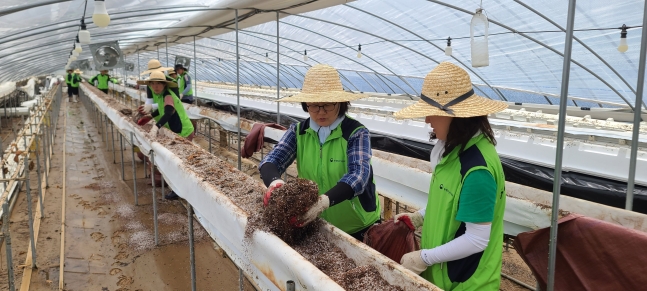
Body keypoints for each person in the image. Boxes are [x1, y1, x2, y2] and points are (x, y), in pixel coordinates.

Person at [393, 62, 508, 290]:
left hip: (467, 282)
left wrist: (423, 258)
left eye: (432, 113)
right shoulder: (453, 151)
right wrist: (420, 217)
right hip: (445, 274)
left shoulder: (477, 169)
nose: (427, 120)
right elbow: (450, 205)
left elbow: (476, 238)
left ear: (456, 117)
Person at [259, 64, 381, 241]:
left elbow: (358, 176)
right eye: (314, 106)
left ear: (340, 103)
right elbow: (272, 160)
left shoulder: (355, 133)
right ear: (305, 105)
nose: (320, 112)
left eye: (327, 105)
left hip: (357, 225)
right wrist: (275, 182)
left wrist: (324, 201)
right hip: (317, 222)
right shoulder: (299, 131)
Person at [136, 71, 194, 200]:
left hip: (183, 131)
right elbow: (161, 110)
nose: (156, 87)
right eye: (153, 84)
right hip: (176, 131)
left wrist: (156, 127)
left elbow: (168, 112)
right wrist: (150, 116)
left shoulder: (168, 95)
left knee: (178, 162)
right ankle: (178, 187)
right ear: (150, 85)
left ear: (164, 85)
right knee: (176, 161)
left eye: (159, 84)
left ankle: (180, 190)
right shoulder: (161, 95)